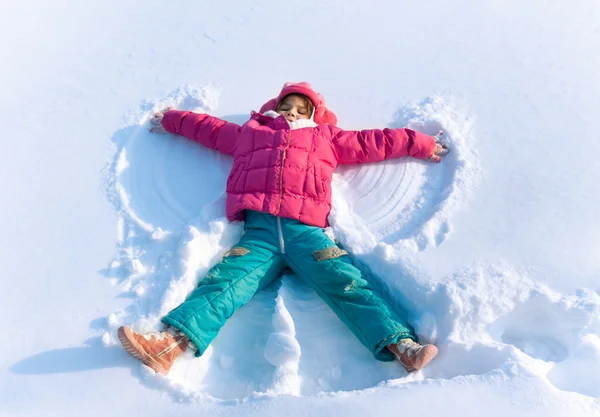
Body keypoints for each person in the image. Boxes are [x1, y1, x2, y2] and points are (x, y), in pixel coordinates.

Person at [117, 82, 448, 376]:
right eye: (285, 106)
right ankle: (167, 346)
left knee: (346, 282)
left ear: (315, 114)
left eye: (301, 109)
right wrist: (174, 119)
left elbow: (374, 142)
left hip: (307, 232)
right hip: (259, 234)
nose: (291, 113)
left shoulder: (326, 137)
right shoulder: (252, 133)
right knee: (224, 284)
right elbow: (210, 129)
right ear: (273, 109)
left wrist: (420, 143)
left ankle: (401, 346)